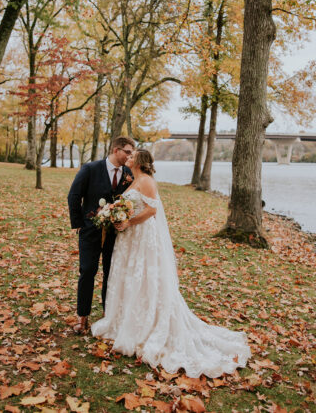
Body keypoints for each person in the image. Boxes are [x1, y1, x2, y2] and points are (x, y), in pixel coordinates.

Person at [92, 149, 251, 378]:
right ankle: (124, 321)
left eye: (132, 155)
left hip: (141, 237)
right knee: (130, 277)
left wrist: (128, 222)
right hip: (129, 238)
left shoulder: (146, 181)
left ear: (140, 161)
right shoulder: (134, 179)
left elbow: (152, 210)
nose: (128, 156)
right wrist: (115, 215)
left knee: (144, 278)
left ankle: (145, 327)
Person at [67, 136, 135, 334]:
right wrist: (78, 224)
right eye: (128, 152)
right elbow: (74, 196)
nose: (130, 157)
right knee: (87, 271)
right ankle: (82, 317)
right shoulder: (90, 169)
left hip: (116, 234)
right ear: (116, 150)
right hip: (90, 230)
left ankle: (108, 316)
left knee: (111, 274)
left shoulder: (129, 173)